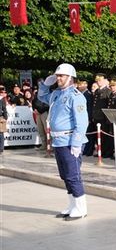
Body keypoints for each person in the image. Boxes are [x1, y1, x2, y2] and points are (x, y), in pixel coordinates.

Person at [38, 63, 90, 221]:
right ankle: (72, 204)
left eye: (61, 76)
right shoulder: (56, 94)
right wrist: (45, 85)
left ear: (70, 77)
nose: (58, 78)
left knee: (73, 175)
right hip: (59, 140)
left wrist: (76, 143)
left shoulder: (76, 96)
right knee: (65, 175)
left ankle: (81, 208)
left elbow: (82, 122)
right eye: (57, 76)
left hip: (70, 141)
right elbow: (41, 97)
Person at [0, 90, 6, 154]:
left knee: (0, 133)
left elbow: (4, 109)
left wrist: (5, 117)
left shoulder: (1, 99)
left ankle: (1, 149)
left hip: (0, 117)